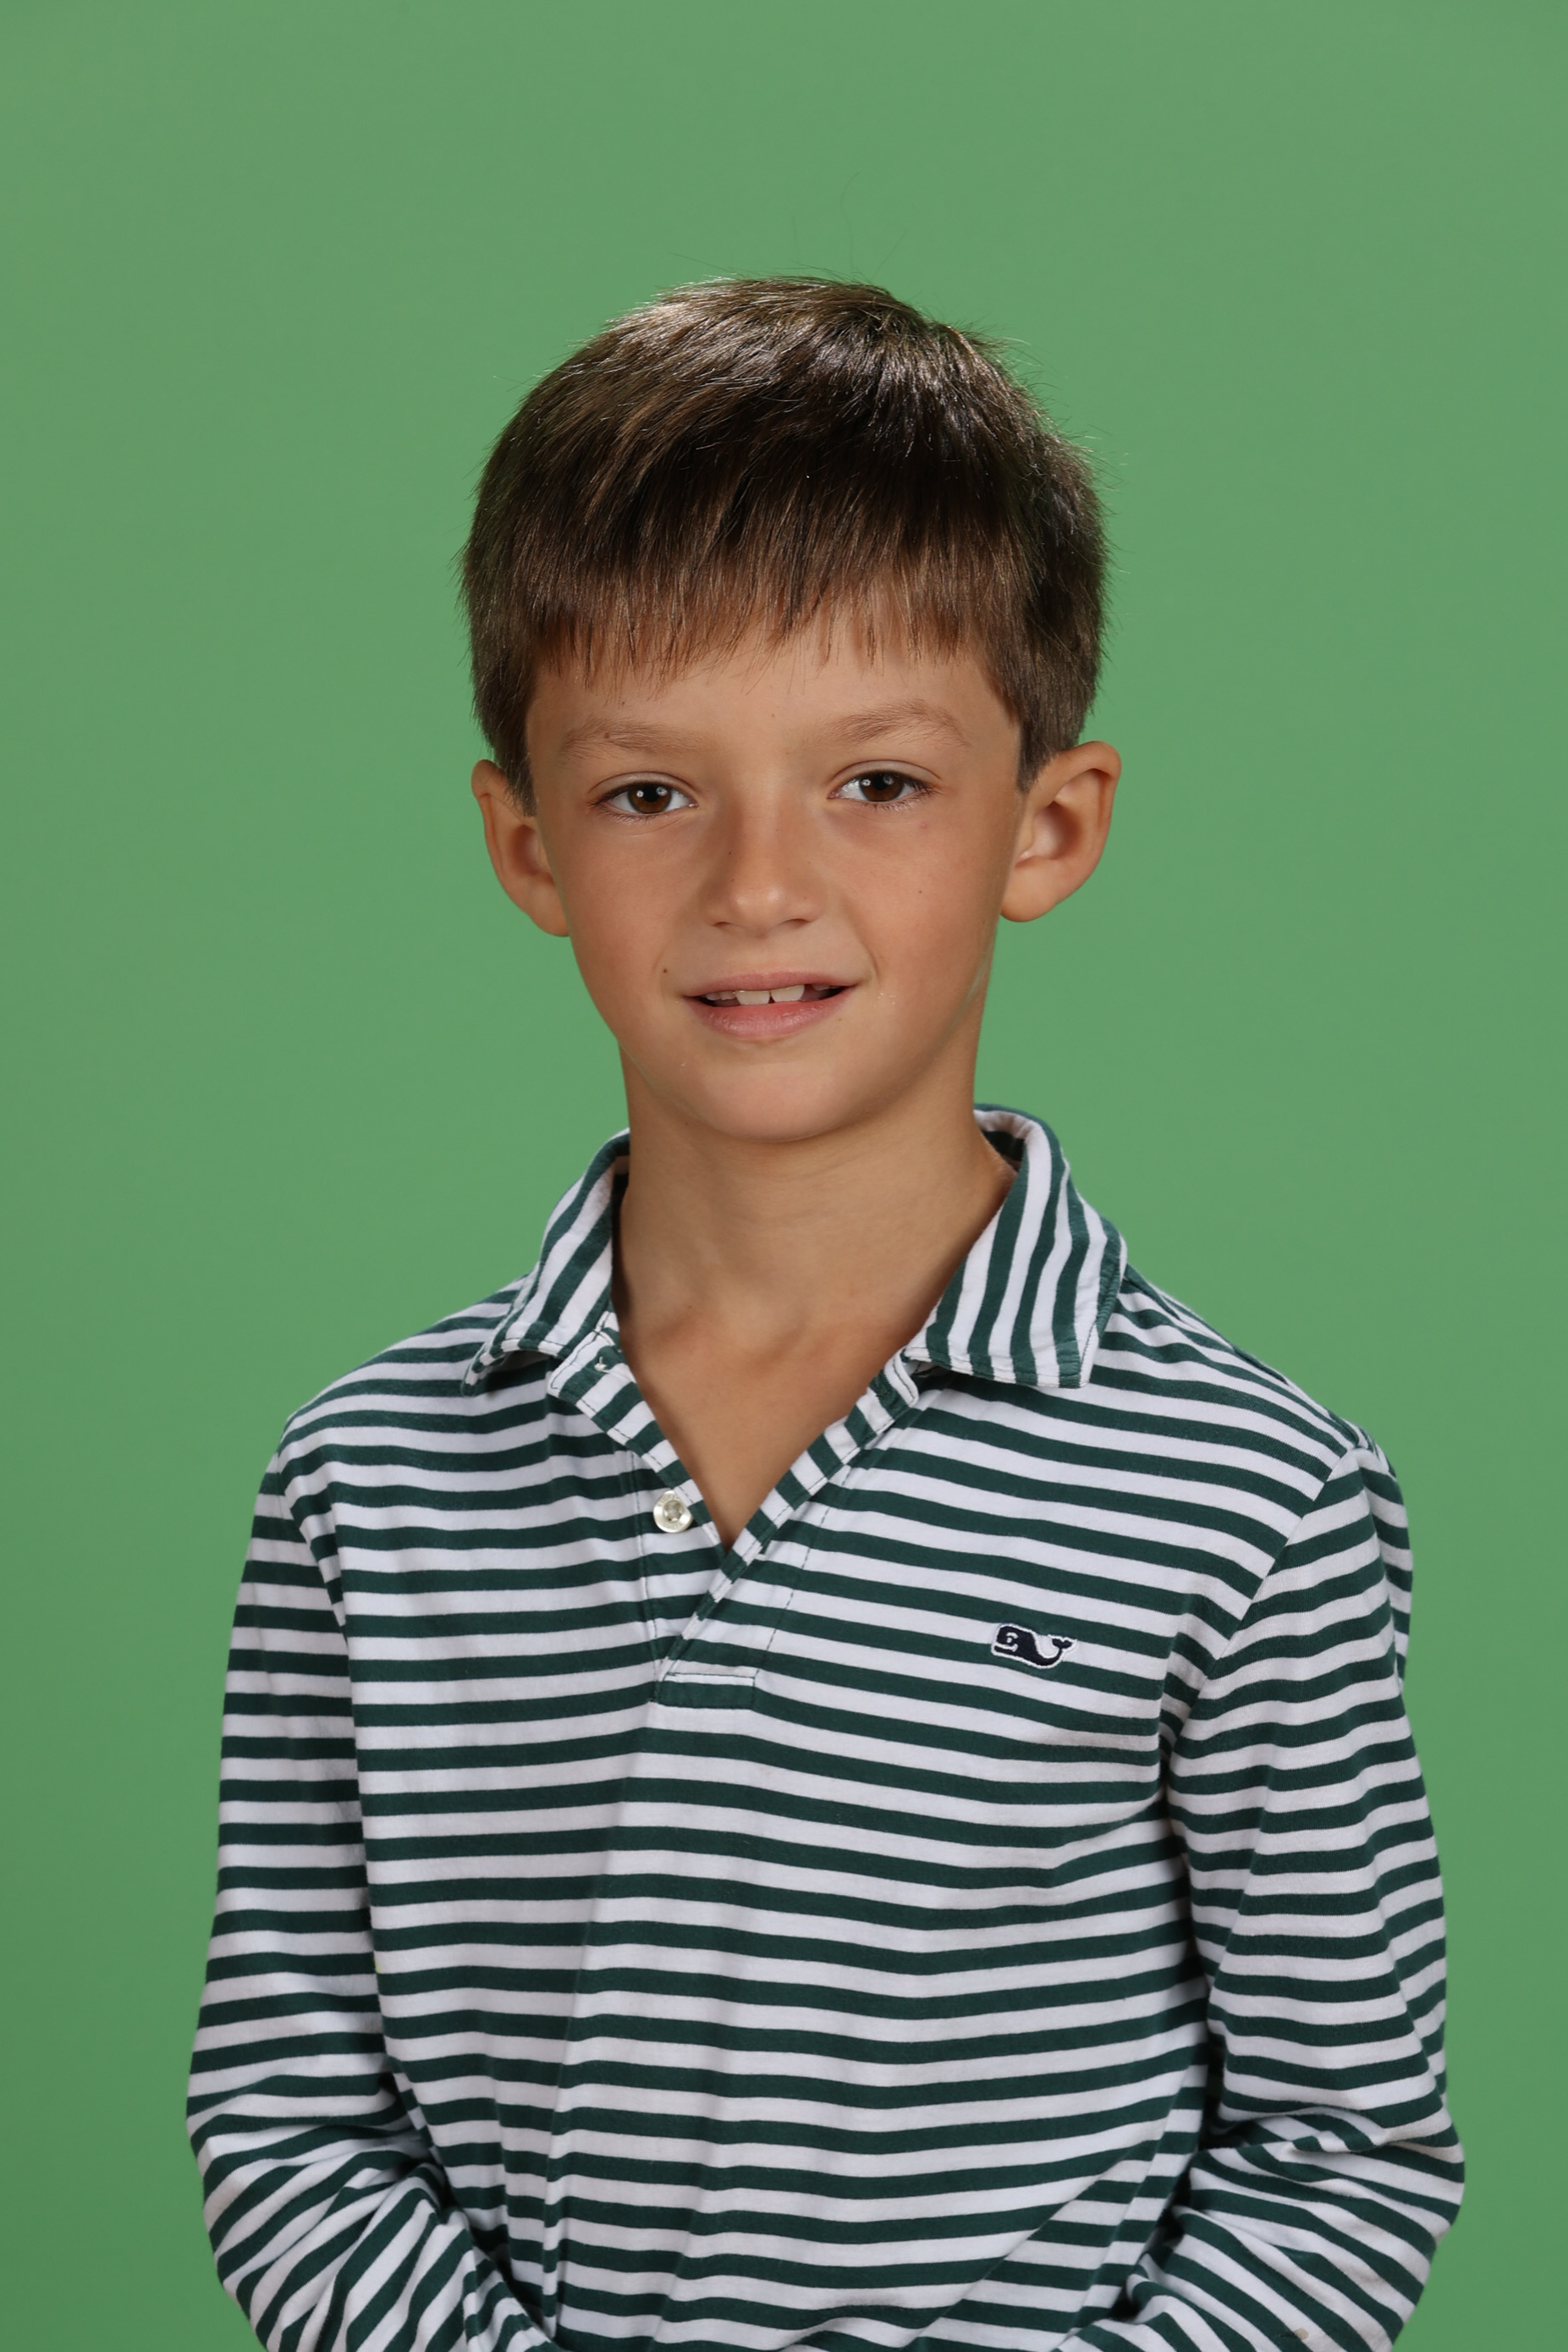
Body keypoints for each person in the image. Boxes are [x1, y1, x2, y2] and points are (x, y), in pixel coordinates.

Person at [188, 279, 1461, 2352]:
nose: (758, 883)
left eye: (874, 782)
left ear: (1047, 825)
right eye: (649, 792)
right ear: (527, 843)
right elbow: (294, 2117)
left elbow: (1340, 2161)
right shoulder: (373, 1479)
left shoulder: (1252, 1496)